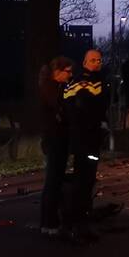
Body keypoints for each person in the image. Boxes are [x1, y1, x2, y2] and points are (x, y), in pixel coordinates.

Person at [63, 49, 109, 243]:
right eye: (92, 60)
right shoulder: (85, 82)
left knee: (86, 181)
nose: (96, 63)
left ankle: (79, 222)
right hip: (86, 139)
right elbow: (83, 110)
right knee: (83, 181)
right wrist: (95, 127)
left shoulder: (92, 80)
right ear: (84, 62)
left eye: (99, 60)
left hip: (89, 138)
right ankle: (77, 225)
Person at [39, 56, 74, 239]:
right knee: (53, 181)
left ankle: (50, 220)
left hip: (56, 138)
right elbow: (60, 111)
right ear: (57, 72)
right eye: (67, 71)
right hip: (54, 139)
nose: (70, 75)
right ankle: (49, 221)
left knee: (55, 180)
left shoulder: (54, 88)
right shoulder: (52, 90)